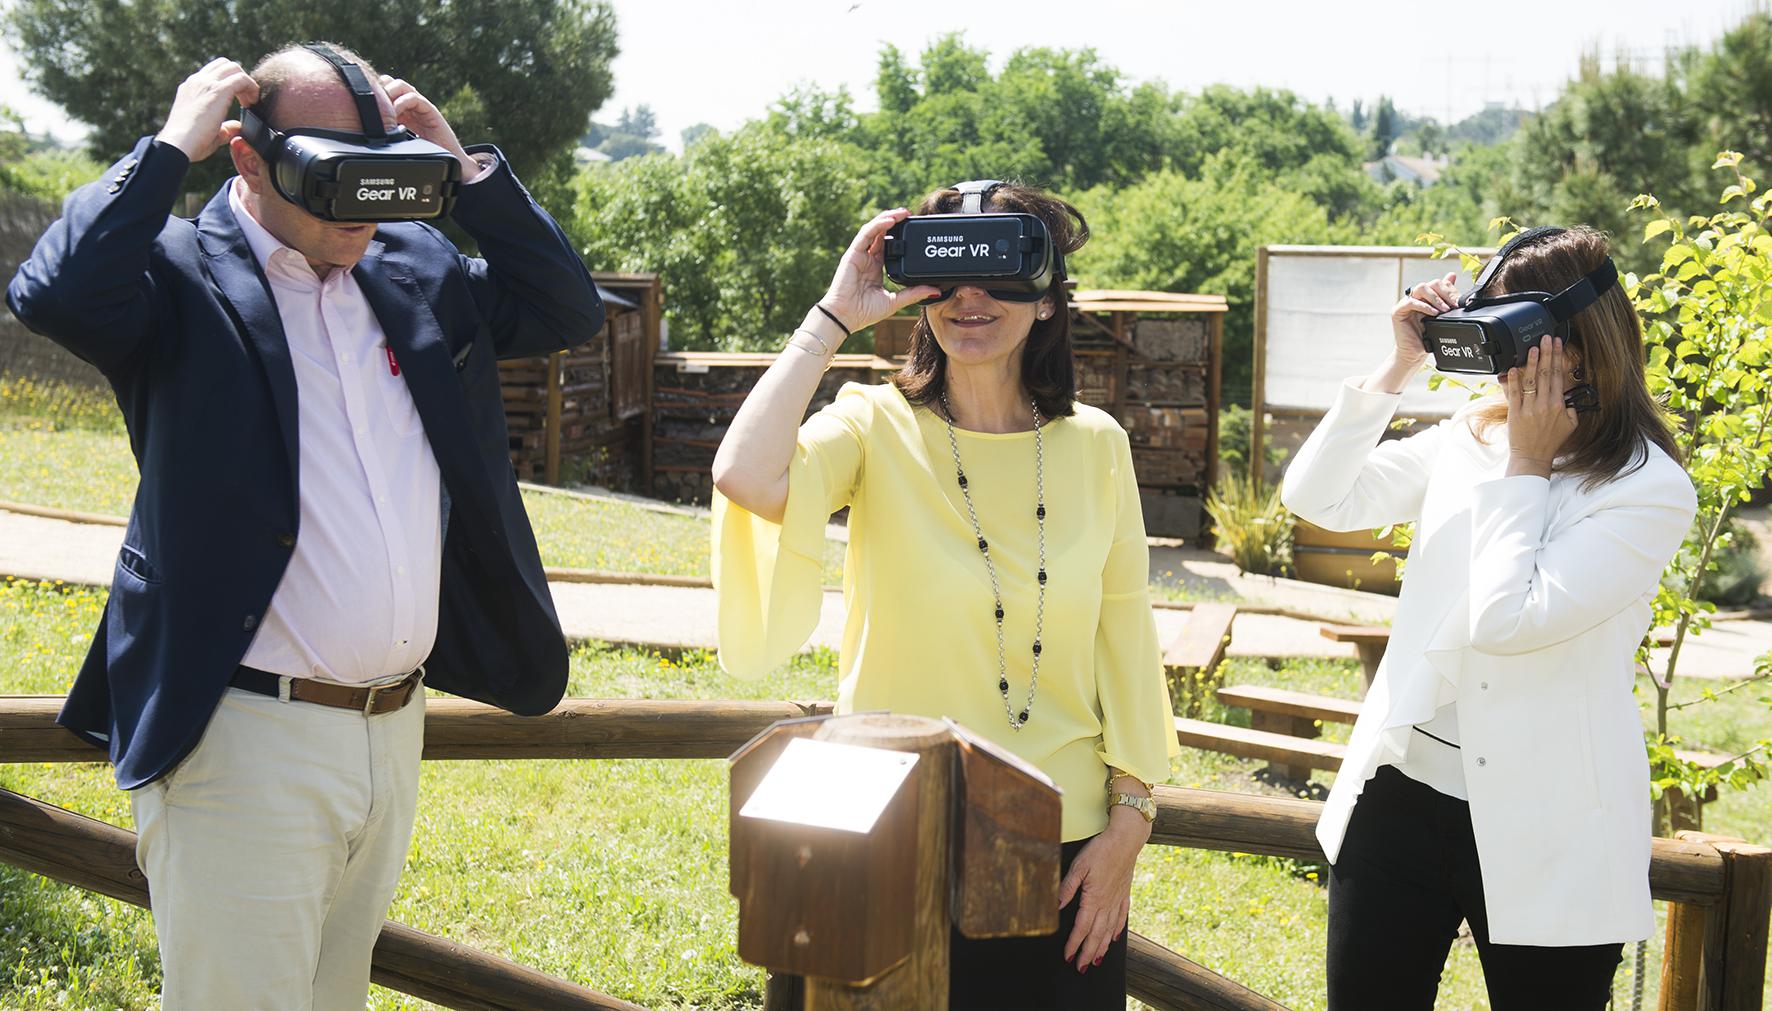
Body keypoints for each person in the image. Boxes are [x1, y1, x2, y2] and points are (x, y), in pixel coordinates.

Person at [6, 43, 602, 1009]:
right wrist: (169, 144)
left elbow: (563, 306)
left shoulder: (416, 264)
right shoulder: (173, 276)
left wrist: (465, 172)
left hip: (390, 726)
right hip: (243, 736)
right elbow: (53, 291)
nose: (365, 209)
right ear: (247, 158)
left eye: (388, 176)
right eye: (334, 177)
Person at [710, 181, 1177, 1008]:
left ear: (1044, 299)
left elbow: (1126, 637)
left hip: (1056, 849)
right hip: (872, 830)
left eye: (1000, 272)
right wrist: (831, 317)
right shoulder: (869, 425)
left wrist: (1130, 824)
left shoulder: (1097, 445)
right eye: (946, 274)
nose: (971, 299)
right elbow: (745, 473)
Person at [1279, 226, 1697, 1010]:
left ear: (1574, 342)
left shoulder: (1648, 488)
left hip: (1555, 819)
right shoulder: (1475, 434)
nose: (1492, 356)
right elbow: (1317, 497)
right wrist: (1399, 363)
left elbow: (1508, 621)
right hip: (1400, 794)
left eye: (1506, 330)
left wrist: (1529, 465)